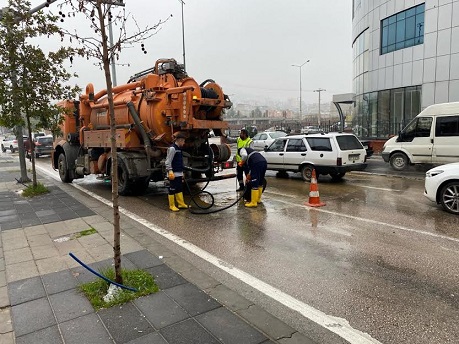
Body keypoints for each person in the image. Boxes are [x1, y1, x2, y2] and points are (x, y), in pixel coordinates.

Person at [165, 132, 189, 212]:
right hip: (173, 172)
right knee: (172, 188)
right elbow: (168, 161)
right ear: (179, 140)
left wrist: (182, 173)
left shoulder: (179, 149)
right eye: (183, 141)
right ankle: (172, 205)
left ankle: (181, 204)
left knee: (179, 188)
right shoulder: (172, 148)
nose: (184, 143)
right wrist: (170, 170)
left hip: (178, 172)